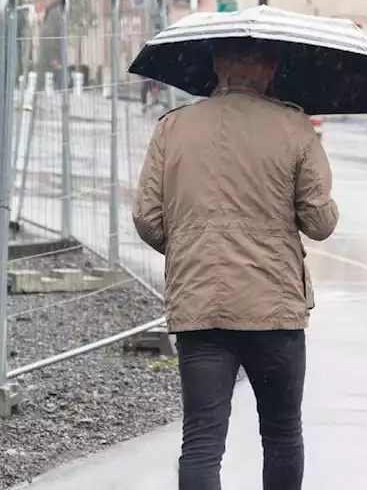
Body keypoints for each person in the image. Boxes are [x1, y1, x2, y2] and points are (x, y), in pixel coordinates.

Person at [133, 38, 339, 490]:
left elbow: (147, 220)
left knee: (202, 441)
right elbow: (320, 223)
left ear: (216, 66)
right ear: (269, 71)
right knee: (282, 434)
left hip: (199, 304)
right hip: (274, 309)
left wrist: (194, 249)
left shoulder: (173, 127)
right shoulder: (293, 126)